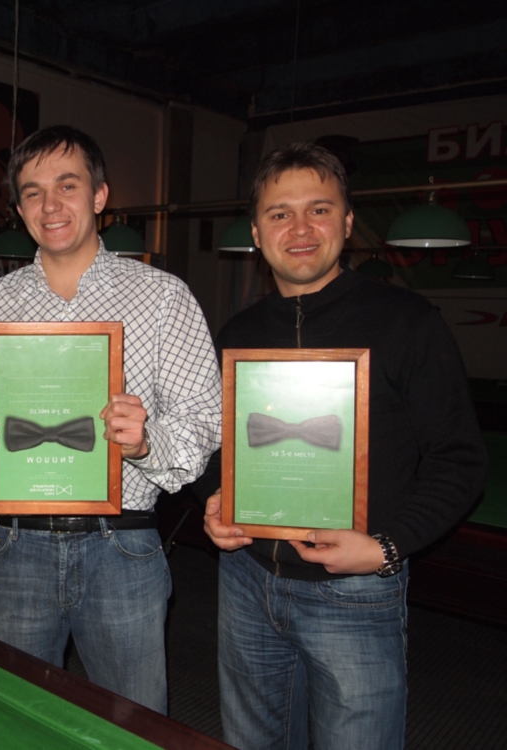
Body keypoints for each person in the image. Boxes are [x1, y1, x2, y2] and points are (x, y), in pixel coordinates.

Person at [0, 125, 223, 713]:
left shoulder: (163, 298)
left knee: (133, 724)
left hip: (123, 546)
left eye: (67, 185)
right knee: (15, 718)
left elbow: (205, 422)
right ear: (19, 208)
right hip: (14, 547)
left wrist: (147, 441)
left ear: (100, 196)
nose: (50, 205)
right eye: (32, 192)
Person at [201, 143, 487, 749]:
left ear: (348, 222)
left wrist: (387, 547)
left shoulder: (408, 321)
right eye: (280, 214)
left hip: (356, 590)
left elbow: (459, 461)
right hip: (247, 581)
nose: (300, 229)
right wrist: (215, 498)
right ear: (256, 232)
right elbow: (217, 449)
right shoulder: (237, 334)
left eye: (319, 209)